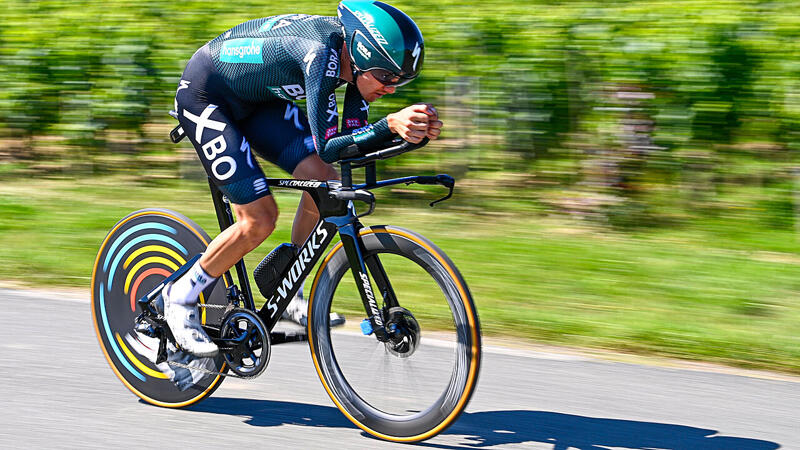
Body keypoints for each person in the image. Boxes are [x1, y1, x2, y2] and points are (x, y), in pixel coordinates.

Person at [165, 0, 443, 356]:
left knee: (325, 182)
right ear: (359, 54)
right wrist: (390, 124)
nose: (391, 88)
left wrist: (408, 132)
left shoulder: (357, 65)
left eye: (400, 81)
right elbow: (330, 145)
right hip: (207, 96)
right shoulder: (320, 56)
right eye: (387, 77)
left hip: (257, 101)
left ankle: (289, 288)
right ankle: (180, 297)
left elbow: (350, 145)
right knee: (259, 218)